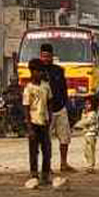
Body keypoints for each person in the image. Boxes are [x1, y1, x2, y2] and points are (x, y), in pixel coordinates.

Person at [37, 44, 73, 173]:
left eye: (48, 56)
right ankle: (47, 166)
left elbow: (64, 89)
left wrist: (65, 103)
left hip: (60, 108)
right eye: (44, 56)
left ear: (52, 56)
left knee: (65, 137)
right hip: (45, 111)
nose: (46, 59)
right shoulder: (37, 72)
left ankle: (64, 163)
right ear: (40, 56)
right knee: (46, 140)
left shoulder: (59, 70)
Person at [23, 59, 53, 187]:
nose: (39, 73)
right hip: (34, 122)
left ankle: (45, 174)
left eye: (41, 71)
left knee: (47, 149)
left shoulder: (46, 86)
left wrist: (50, 116)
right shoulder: (28, 88)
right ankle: (34, 174)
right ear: (32, 72)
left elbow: (50, 101)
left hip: (44, 121)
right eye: (37, 71)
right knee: (33, 150)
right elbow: (26, 107)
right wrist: (29, 126)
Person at [76, 95, 99, 173]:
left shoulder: (93, 114)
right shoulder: (86, 113)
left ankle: (90, 166)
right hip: (86, 134)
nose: (86, 106)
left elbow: (87, 122)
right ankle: (88, 165)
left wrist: (78, 124)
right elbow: (83, 120)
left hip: (91, 135)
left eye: (88, 104)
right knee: (86, 151)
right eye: (86, 104)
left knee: (90, 151)